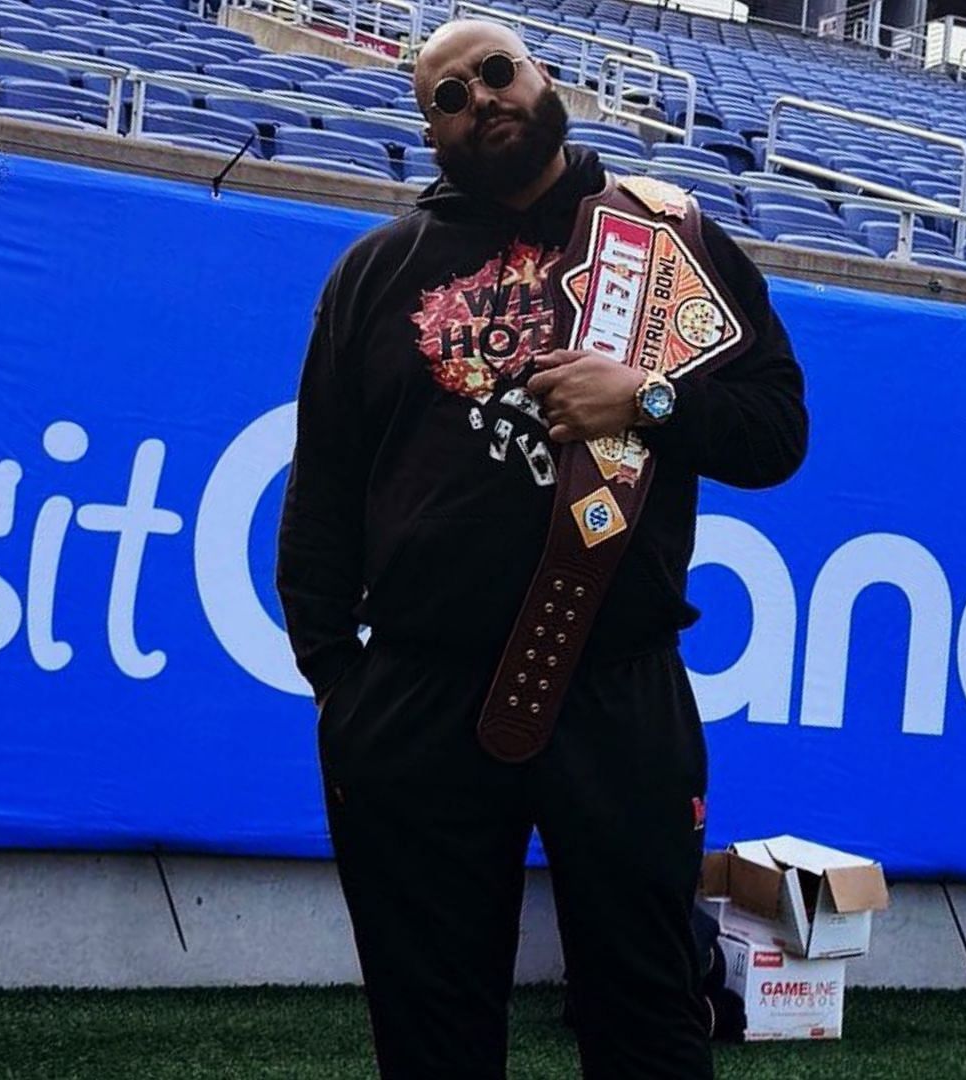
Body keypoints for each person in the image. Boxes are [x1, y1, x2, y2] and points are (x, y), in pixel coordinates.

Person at [275, 19, 807, 1079]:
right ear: (430, 131)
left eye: (495, 72)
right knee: (429, 1027)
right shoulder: (376, 272)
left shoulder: (672, 239)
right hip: (417, 700)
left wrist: (648, 398)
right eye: (448, 96)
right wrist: (343, 686)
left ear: (545, 76)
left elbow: (776, 433)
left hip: (617, 691)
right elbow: (324, 493)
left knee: (650, 1015)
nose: (480, 98)